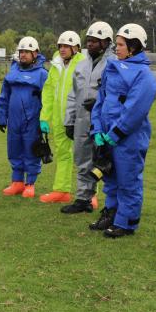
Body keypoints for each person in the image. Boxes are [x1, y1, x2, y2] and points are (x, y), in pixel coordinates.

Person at [89, 24, 156, 238]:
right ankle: (111, 214)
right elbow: (101, 100)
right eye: (117, 44)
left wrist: (116, 134)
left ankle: (126, 222)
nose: (116, 48)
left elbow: (135, 110)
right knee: (110, 178)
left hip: (128, 139)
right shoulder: (112, 67)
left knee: (128, 180)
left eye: (120, 45)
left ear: (134, 47)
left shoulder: (144, 76)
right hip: (107, 135)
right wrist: (97, 129)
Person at [61, 21, 116, 213]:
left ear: (107, 43)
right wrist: (69, 121)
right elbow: (72, 95)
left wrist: (101, 103)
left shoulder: (114, 65)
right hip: (82, 121)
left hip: (105, 123)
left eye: (96, 41)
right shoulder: (81, 66)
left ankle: (111, 204)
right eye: (89, 40)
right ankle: (83, 199)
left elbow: (118, 95)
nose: (90, 44)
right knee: (82, 159)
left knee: (106, 162)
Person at [38, 31, 86, 204]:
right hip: (59, 117)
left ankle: (89, 194)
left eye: (67, 46)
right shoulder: (56, 64)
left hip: (80, 117)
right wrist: (45, 117)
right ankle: (61, 190)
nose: (63, 49)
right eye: (61, 46)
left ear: (76, 48)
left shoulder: (84, 64)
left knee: (85, 156)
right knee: (63, 153)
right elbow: (49, 91)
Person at [0, 37, 48, 198]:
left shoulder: (42, 74)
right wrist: (1, 117)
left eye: (27, 52)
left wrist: (44, 120)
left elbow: (47, 100)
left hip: (32, 121)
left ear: (35, 53)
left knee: (31, 151)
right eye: (21, 51)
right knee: (14, 149)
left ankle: (30, 184)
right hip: (14, 121)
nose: (23, 55)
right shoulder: (13, 72)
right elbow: (4, 96)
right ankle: (17, 182)